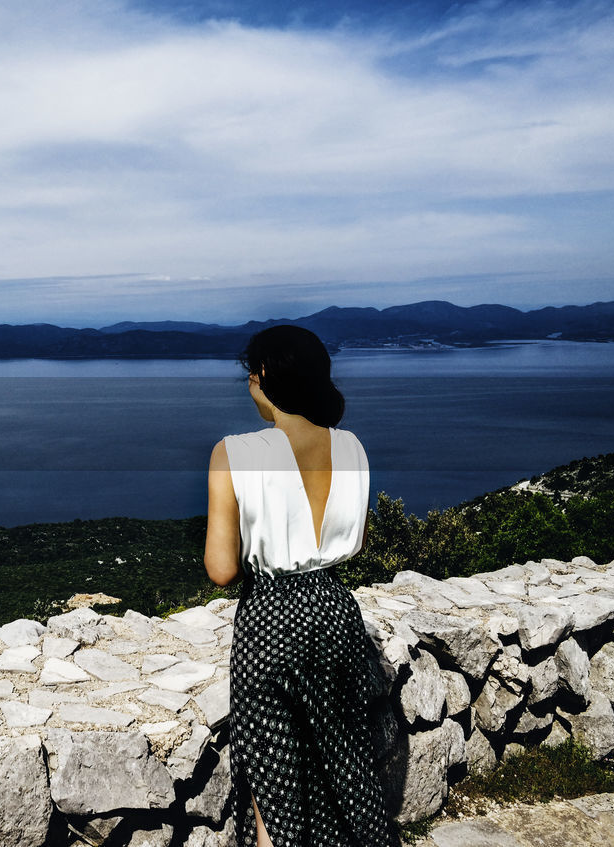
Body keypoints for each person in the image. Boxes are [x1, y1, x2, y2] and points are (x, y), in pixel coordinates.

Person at [203, 324, 397, 847]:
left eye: (251, 370)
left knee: (275, 774)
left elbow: (220, 569)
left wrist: (261, 546)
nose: (248, 380)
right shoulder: (350, 446)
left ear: (265, 375)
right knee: (344, 759)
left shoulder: (233, 452)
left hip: (271, 616)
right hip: (334, 608)